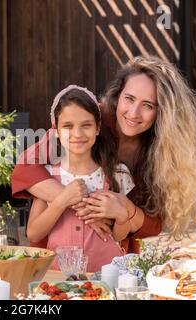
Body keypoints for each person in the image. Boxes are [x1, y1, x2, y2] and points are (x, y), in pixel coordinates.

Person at [12, 55, 196, 254]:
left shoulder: (164, 152)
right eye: (129, 99)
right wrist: (82, 205)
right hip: (53, 254)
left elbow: (154, 224)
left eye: (148, 105)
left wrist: (124, 209)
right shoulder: (88, 119)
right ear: (118, 97)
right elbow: (26, 167)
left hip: (111, 257)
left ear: (163, 113)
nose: (134, 113)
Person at [26, 86, 135, 271]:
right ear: (57, 131)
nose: (77, 134)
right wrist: (61, 201)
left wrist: (122, 217)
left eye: (86, 125)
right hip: (60, 279)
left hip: (106, 277)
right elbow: (33, 234)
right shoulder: (49, 177)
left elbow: (119, 236)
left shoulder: (117, 174)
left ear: (98, 128)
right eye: (68, 126)